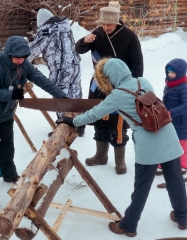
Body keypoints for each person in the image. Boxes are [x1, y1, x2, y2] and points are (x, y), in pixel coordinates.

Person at [56, 58, 187, 236]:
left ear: (110, 77)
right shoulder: (144, 81)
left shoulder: (117, 95)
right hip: (168, 134)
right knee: (175, 180)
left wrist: (73, 121)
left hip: (148, 143)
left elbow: (94, 114)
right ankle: (183, 217)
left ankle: (128, 225)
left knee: (142, 187)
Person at [0, 36, 66, 183]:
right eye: (17, 58)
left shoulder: (24, 65)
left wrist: (61, 96)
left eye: (23, 58)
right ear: (9, 54)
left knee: (7, 145)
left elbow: (41, 79)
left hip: (6, 112)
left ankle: (9, 174)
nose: (20, 61)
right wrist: (11, 94)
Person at [75, 6, 143, 174]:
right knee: (99, 119)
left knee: (118, 123)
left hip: (121, 86)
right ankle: (101, 155)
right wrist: (85, 40)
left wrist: (132, 86)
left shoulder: (129, 36)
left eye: (109, 25)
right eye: (104, 24)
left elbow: (137, 64)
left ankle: (120, 161)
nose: (106, 27)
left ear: (117, 22)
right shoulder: (98, 33)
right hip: (99, 85)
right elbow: (79, 49)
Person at [28, 8, 85, 137]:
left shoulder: (46, 30)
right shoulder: (65, 27)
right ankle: (79, 125)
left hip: (60, 70)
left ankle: (62, 129)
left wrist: (18, 57)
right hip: (75, 65)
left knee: (60, 97)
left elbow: (33, 49)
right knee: (75, 94)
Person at [156, 58, 187, 175]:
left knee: (181, 142)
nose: (170, 75)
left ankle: (183, 165)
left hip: (181, 121)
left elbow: (185, 105)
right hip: (168, 119)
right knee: (165, 140)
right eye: (168, 72)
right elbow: (165, 100)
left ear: (180, 73)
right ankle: (162, 163)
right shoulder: (168, 85)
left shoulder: (184, 87)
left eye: (173, 73)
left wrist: (171, 112)